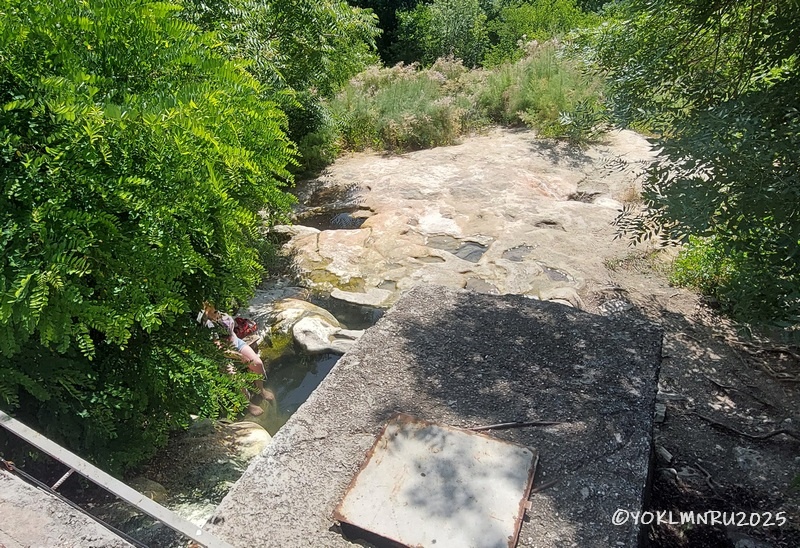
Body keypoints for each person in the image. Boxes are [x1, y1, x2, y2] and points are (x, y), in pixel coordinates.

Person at [200, 302, 274, 416]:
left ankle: (261, 390)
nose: (213, 312)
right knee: (237, 379)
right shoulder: (208, 326)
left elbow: (233, 328)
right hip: (220, 354)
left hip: (234, 343)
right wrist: (239, 356)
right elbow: (219, 349)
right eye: (209, 311)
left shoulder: (222, 315)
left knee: (258, 363)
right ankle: (248, 404)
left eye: (213, 310)